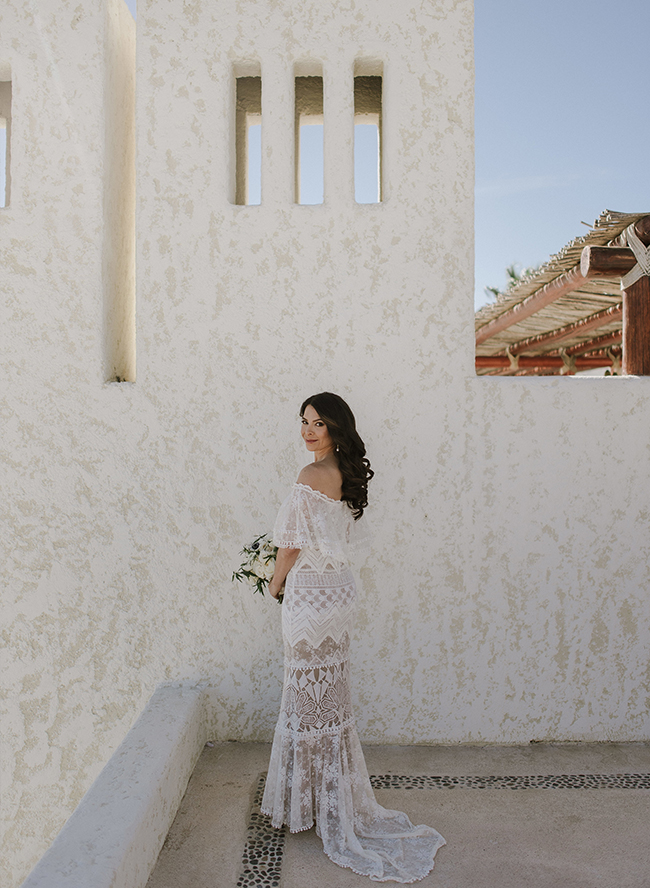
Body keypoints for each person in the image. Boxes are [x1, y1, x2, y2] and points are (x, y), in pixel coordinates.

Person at [262, 392, 445, 882]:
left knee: (304, 699)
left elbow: (290, 546)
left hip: (309, 598)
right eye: (304, 422)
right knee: (331, 700)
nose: (307, 431)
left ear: (336, 427)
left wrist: (276, 582)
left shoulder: (308, 477)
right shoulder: (346, 475)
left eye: (318, 423)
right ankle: (330, 800)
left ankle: (309, 808)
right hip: (340, 596)